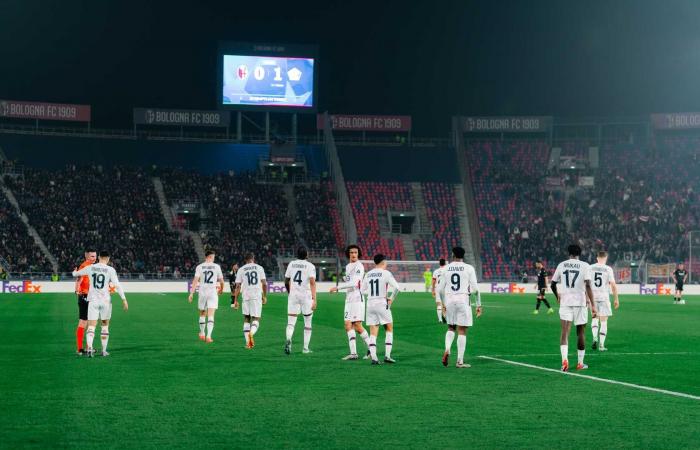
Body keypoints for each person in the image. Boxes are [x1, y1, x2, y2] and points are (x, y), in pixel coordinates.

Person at [71, 251, 128, 357]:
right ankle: (104, 351)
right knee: (105, 326)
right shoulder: (111, 270)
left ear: (99, 257)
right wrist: (124, 299)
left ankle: (89, 349)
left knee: (91, 327)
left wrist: (74, 272)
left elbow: (76, 274)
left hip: (93, 301)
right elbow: (117, 285)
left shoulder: (91, 267)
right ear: (108, 259)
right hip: (105, 302)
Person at [551, 244, 597, 372]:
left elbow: (553, 284)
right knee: (580, 333)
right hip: (580, 302)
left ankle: (564, 361)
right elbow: (588, 285)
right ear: (579, 254)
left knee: (565, 332)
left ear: (568, 253)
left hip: (565, 302)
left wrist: (557, 296)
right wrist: (593, 305)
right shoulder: (585, 265)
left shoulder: (562, 265)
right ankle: (580, 363)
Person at [438, 247, 482, 369]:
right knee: (462, 330)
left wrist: (443, 304)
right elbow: (476, 289)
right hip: (463, 300)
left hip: (450, 300)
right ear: (463, 255)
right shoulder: (469, 268)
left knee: (451, 327)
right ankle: (460, 361)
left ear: (452, 255)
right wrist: (478, 305)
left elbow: (440, 289)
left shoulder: (445, 268)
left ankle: (447, 349)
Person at [330, 245, 372, 360]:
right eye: (351, 252)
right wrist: (344, 280)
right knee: (348, 325)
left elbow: (354, 283)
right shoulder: (348, 266)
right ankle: (353, 353)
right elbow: (349, 281)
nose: (353, 254)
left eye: (355, 252)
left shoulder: (359, 266)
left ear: (358, 254)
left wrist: (338, 287)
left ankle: (371, 348)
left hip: (357, 299)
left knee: (358, 326)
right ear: (348, 254)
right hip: (348, 299)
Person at [361, 254, 400, 365]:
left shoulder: (368, 274)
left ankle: (374, 358)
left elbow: (362, 290)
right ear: (383, 262)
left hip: (370, 304)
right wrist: (391, 299)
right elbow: (397, 288)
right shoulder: (386, 273)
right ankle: (387, 356)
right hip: (382, 303)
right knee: (389, 328)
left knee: (373, 332)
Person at [284, 247, 317, 355]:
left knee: (291, 322)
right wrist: (314, 299)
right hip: (306, 296)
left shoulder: (291, 264)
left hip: (293, 296)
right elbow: (312, 282)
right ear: (306, 255)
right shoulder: (310, 266)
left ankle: (289, 339)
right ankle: (305, 348)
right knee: (308, 322)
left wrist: (290, 292)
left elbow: (286, 281)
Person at [188, 250, 224, 343]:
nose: (214, 259)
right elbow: (222, 281)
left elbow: (195, 281)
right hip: (212, 292)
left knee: (202, 314)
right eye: (213, 257)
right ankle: (209, 336)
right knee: (211, 315)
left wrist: (191, 293)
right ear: (211, 257)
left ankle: (202, 333)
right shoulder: (216, 267)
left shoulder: (199, 267)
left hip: (203, 292)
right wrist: (221, 289)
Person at [232, 254, 267, 349]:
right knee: (256, 318)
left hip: (246, 296)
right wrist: (264, 296)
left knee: (247, 318)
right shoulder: (259, 268)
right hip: (256, 295)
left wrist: (235, 300)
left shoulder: (241, 269)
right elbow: (264, 284)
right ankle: (251, 334)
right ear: (253, 259)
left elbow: (238, 286)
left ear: (245, 260)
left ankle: (248, 342)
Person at [589, 251, 619, 351]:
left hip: (592, 297)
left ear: (597, 258)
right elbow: (613, 285)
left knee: (594, 319)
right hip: (604, 297)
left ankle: (594, 338)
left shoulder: (590, 267)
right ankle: (601, 345)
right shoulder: (608, 269)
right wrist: (616, 299)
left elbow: (586, 284)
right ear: (605, 258)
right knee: (604, 322)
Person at [74, 248, 96, 355]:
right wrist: (77, 289)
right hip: (86, 296)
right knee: (86, 322)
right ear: (87, 256)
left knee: (86, 322)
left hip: (87, 296)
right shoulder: (85, 266)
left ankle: (82, 348)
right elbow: (80, 279)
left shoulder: (90, 266)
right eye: (92, 256)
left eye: (95, 256)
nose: (94, 258)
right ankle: (84, 348)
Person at [431, 258, 447, 323]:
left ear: (439, 263)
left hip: (437, 288)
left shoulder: (436, 271)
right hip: (445, 288)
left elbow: (433, 281)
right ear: (445, 263)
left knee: (438, 304)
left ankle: (440, 319)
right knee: (445, 304)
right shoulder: (447, 270)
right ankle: (445, 316)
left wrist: (433, 290)